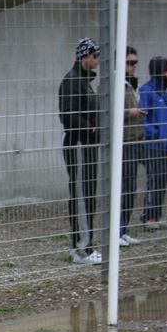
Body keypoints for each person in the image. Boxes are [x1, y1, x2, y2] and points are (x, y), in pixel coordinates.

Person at [58, 37, 102, 265]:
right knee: (82, 195)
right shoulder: (72, 81)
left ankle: (85, 244)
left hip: (88, 144)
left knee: (88, 193)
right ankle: (81, 249)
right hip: (79, 144)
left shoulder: (84, 81)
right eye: (95, 55)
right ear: (84, 56)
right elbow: (67, 115)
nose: (97, 60)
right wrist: (91, 128)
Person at [139, 57, 167, 231]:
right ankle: (149, 217)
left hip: (164, 144)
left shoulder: (165, 92)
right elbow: (143, 117)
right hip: (152, 144)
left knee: (162, 179)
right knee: (154, 179)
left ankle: (156, 215)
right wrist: (153, 134)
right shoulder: (147, 91)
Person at [120, 46, 147, 246]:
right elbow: (107, 113)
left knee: (131, 188)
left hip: (136, 141)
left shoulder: (132, 85)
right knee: (123, 187)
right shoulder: (115, 85)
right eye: (130, 62)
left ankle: (123, 229)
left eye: (135, 62)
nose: (134, 66)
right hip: (124, 143)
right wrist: (128, 113)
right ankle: (117, 230)